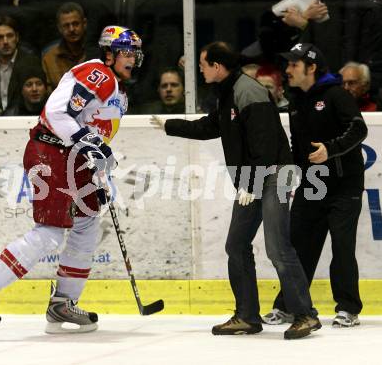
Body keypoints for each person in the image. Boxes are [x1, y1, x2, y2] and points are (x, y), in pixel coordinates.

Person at [0, 25, 144, 333]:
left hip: (73, 159)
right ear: (108, 54)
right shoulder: (99, 75)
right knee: (52, 232)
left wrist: (100, 175)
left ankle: (62, 304)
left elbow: (93, 138)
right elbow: (57, 114)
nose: (132, 59)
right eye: (125, 53)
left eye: (135, 54)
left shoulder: (119, 95)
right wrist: (93, 148)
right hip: (51, 150)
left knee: (86, 226)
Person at [154, 41, 320, 340]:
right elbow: (210, 127)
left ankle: (306, 315)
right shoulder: (227, 91)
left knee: (278, 247)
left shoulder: (248, 90)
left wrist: (252, 184)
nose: (200, 70)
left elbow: (266, 143)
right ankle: (246, 315)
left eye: (203, 65)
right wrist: (170, 125)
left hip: (274, 174)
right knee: (236, 244)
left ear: (217, 66)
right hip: (252, 178)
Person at [263, 43, 368, 328]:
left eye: (293, 65)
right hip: (312, 184)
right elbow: (298, 145)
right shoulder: (296, 100)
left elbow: (359, 128)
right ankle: (288, 306)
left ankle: (348, 307)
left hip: (344, 185)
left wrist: (330, 149)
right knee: (297, 246)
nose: (287, 70)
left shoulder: (337, 95)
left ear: (311, 68)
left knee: (342, 247)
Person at [0, 15, 41, 114]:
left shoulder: (31, 63)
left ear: (17, 38)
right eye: (0, 37)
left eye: (9, 36)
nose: (5, 42)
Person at [42, 2, 91, 92]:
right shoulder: (49, 59)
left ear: (84, 24)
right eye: (66, 25)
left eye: (75, 24)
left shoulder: (98, 53)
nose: (71, 29)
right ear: (59, 28)